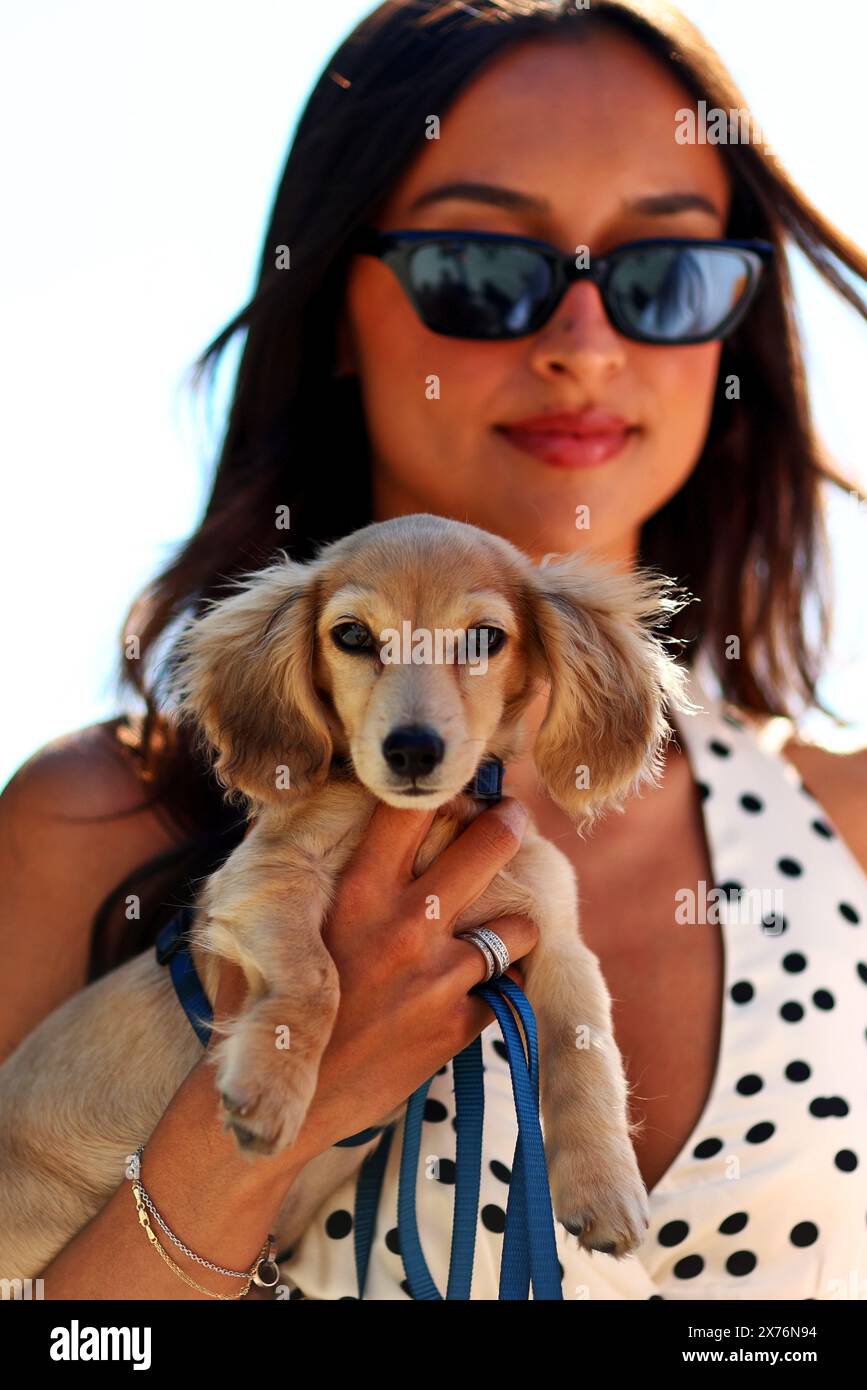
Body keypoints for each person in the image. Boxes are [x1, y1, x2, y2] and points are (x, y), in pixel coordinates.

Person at [2, 0, 865, 1301]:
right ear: (339, 312)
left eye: (664, 280)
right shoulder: (91, 822)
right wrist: (279, 1102)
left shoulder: (847, 831)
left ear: (730, 331)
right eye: (480, 267)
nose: (584, 347)